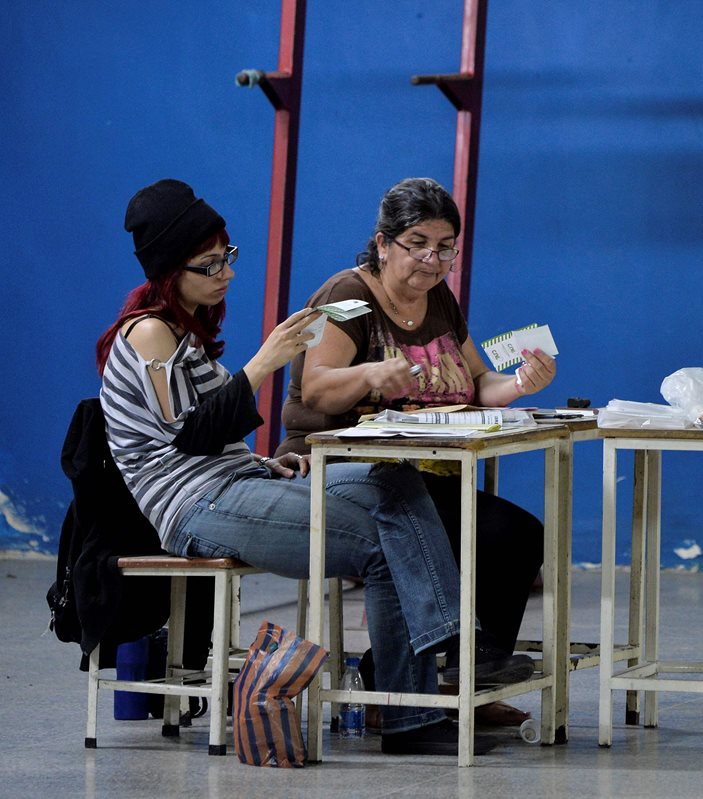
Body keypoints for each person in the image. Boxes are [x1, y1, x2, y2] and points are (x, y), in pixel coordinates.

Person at [96, 178, 527, 755]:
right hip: (196, 505)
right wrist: (265, 362)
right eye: (209, 264)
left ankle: (428, 679)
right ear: (171, 270)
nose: (225, 273)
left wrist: (267, 462)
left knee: (390, 478)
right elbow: (190, 437)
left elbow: (217, 437)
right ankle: (422, 697)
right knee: (383, 543)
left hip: (239, 480)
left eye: (228, 258)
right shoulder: (149, 331)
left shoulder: (186, 335)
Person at [275, 177, 556, 726]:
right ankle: (406, 686)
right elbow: (316, 389)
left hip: (421, 470)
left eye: (445, 246)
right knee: (469, 534)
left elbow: (479, 385)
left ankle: (469, 677)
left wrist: (522, 381)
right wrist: (373, 373)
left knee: (516, 534)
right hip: (343, 471)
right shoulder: (346, 296)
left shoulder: (439, 299)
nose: (432, 258)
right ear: (383, 244)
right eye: (417, 243)